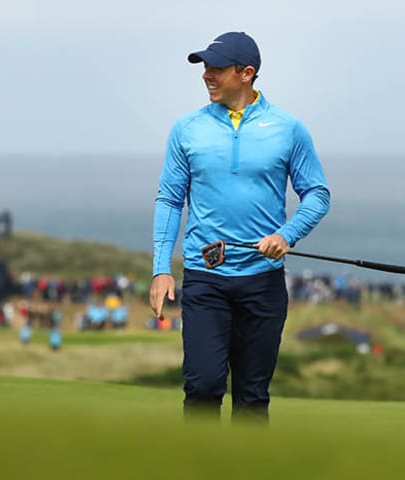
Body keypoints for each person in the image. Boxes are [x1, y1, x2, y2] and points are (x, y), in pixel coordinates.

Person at [150, 31, 330, 422]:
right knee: (202, 387)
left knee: (251, 398)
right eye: (205, 67)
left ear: (246, 73)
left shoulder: (288, 128)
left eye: (216, 68)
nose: (206, 75)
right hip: (205, 276)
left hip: (262, 281)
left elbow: (317, 194)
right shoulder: (187, 129)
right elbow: (169, 199)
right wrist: (161, 268)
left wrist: (287, 234)